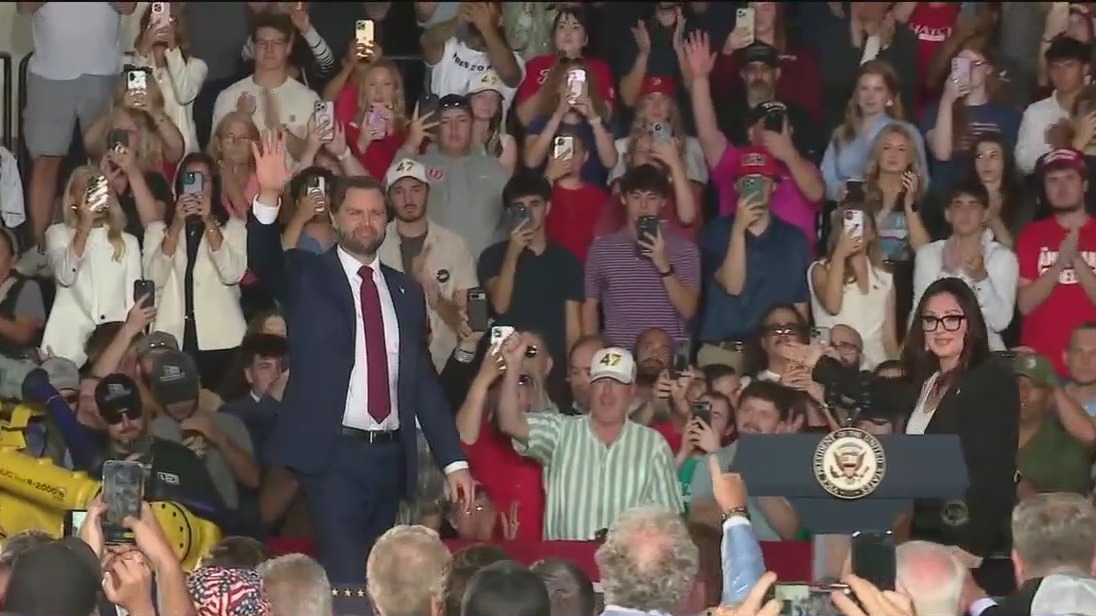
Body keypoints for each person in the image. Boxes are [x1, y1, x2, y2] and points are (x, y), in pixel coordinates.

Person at [246, 131, 473, 583]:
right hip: (333, 455)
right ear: (334, 216)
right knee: (347, 573)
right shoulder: (307, 274)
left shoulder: (405, 291)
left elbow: (422, 384)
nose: (366, 222)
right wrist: (269, 195)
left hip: (390, 457)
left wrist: (454, 462)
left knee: (376, 578)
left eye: (374, 213)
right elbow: (264, 261)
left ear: (386, 220)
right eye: (354, 213)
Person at [781, 277, 1020, 595]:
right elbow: (878, 391)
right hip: (928, 537)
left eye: (951, 318)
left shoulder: (989, 380)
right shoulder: (929, 381)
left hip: (971, 548)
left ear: (970, 323)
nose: (940, 328)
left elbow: (995, 472)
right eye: (931, 320)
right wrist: (820, 367)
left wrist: (973, 546)